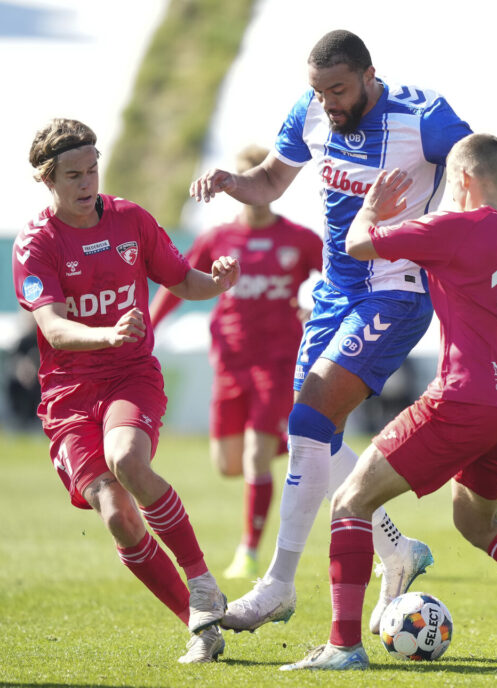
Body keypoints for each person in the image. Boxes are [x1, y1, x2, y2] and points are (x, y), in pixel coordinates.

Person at [190, 30, 497, 635]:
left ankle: (277, 586)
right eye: (319, 92)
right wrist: (231, 184)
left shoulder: (423, 116)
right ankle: (395, 549)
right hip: (333, 293)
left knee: (311, 415)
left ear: (371, 75)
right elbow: (271, 179)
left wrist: (472, 234)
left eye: (339, 90)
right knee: (309, 436)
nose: (328, 104)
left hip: (397, 291)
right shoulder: (310, 110)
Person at [279, 134, 497, 671]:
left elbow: (357, 244)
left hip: (463, 397)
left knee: (350, 502)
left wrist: (370, 208)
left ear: (463, 180)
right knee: (476, 523)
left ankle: (343, 647)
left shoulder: (455, 227)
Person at [12, 118, 239, 663]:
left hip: (129, 377)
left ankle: (203, 581)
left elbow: (183, 280)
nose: (87, 182)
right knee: (116, 514)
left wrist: (219, 282)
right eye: (73, 174)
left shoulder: (130, 220)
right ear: (48, 179)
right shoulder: (35, 244)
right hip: (67, 396)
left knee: (127, 460)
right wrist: (106, 332)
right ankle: (199, 625)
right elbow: (53, 328)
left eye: (92, 169)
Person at [150, 144, 323, 581]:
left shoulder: (300, 240)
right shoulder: (217, 239)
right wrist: (150, 326)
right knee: (228, 464)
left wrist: (316, 310)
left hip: (279, 362)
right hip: (229, 361)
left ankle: (248, 551)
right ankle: (282, 445)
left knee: (252, 458)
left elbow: (337, 282)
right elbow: (177, 281)